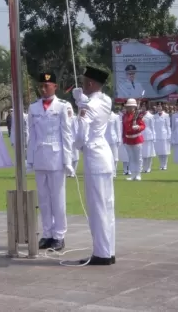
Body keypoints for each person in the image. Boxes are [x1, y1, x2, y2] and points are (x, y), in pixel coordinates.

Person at [72, 66, 115, 266]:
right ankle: (108, 250)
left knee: (97, 208)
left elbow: (81, 134)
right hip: (104, 155)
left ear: (90, 84)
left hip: (94, 157)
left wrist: (82, 107)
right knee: (107, 206)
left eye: (83, 82)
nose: (81, 85)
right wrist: (82, 101)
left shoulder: (89, 106)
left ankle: (102, 254)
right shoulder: (106, 100)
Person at [26, 72, 74, 252]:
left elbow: (67, 135)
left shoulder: (63, 106)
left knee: (58, 198)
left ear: (55, 86)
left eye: (47, 85)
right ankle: (47, 233)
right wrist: (29, 160)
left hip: (56, 157)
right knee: (44, 199)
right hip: (39, 156)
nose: (44, 88)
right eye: (42, 86)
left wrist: (68, 161)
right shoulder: (34, 108)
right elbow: (31, 135)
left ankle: (59, 235)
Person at [121, 98, 145, 181]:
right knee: (131, 158)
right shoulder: (124, 116)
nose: (129, 108)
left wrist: (138, 127)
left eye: (131, 107)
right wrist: (123, 138)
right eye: (128, 106)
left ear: (134, 107)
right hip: (128, 139)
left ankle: (138, 174)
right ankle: (133, 174)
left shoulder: (138, 115)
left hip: (136, 138)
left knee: (138, 157)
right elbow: (124, 128)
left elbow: (143, 126)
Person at [153, 104, 171, 171]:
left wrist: (169, 135)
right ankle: (161, 164)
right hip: (157, 135)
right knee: (159, 151)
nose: (159, 108)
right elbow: (154, 126)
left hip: (164, 135)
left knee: (165, 151)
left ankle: (165, 165)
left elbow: (168, 126)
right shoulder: (155, 116)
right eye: (158, 107)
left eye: (160, 106)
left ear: (162, 107)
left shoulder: (166, 115)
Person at [105, 106, 120, 177]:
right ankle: (108, 171)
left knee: (115, 157)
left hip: (114, 138)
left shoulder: (115, 116)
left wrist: (119, 139)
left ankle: (114, 172)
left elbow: (118, 129)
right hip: (105, 139)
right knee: (106, 156)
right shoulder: (104, 116)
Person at [140, 101, 155, 173]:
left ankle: (148, 167)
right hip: (141, 135)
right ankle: (143, 167)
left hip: (149, 135)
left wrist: (154, 136)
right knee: (142, 153)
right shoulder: (139, 115)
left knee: (149, 153)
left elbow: (153, 127)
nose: (143, 107)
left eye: (144, 106)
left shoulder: (150, 116)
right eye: (142, 106)